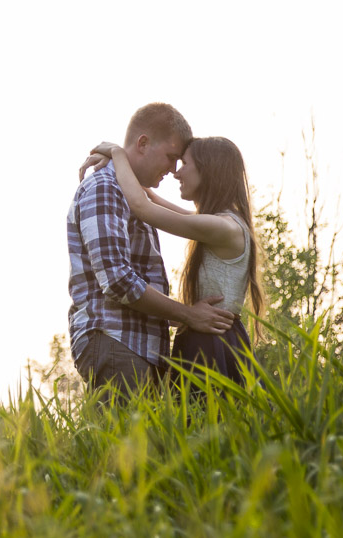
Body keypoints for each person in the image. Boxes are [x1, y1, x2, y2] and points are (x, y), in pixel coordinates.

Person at [67, 103, 236, 398]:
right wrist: (187, 315)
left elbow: (153, 205)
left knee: (148, 444)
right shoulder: (107, 188)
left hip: (135, 347)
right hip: (116, 341)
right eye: (172, 157)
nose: (173, 170)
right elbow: (117, 279)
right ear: (143, 143)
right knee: (123, 445)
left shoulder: (131, 193)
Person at [81, 135, 264, 387]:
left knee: (203, 421)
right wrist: (122, 166)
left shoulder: (223, 226)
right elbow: (149, 200)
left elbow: (141, 208)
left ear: (208, 169)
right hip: (206, 337)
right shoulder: (220, 222)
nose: (177, 174)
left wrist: (117, 153)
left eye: (185, 164)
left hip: (212, 343)